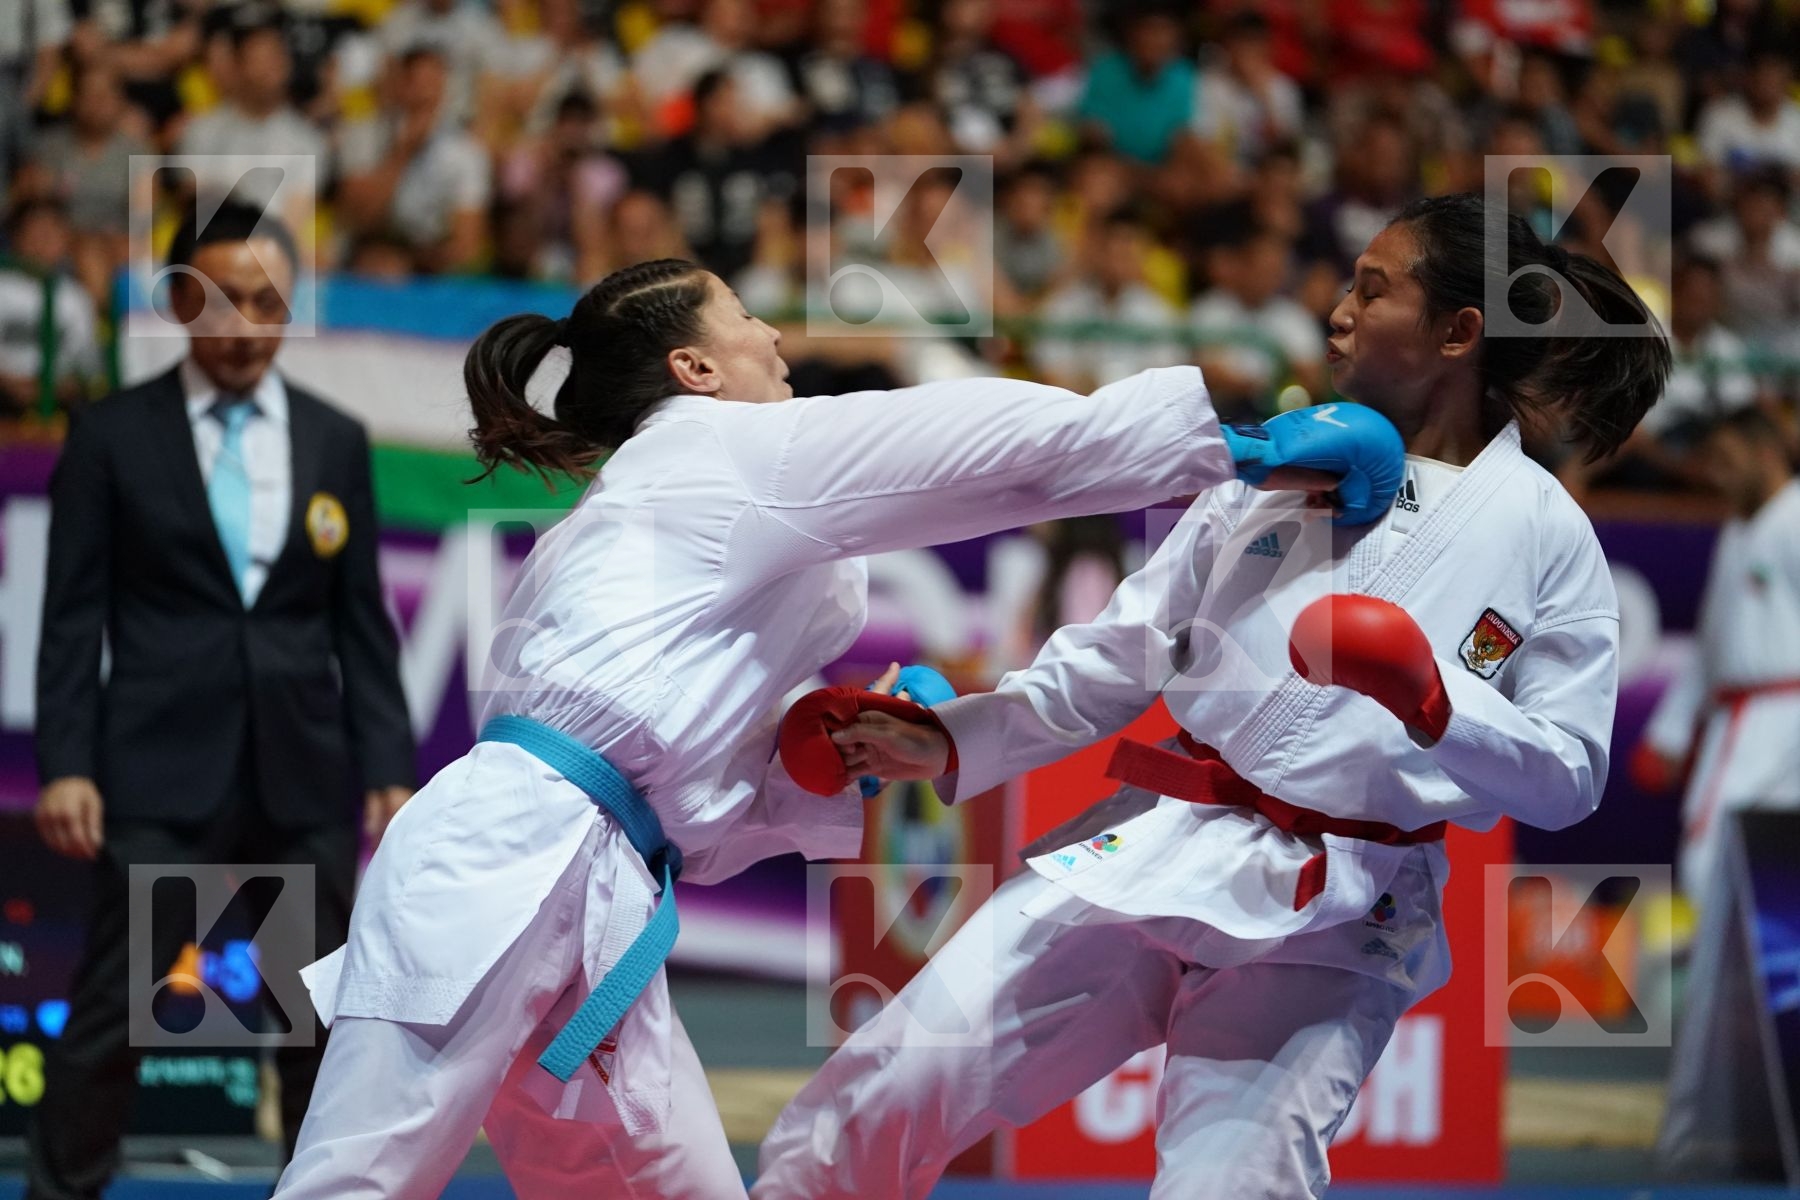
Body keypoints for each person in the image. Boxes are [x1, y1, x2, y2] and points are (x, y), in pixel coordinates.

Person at [270, 257, 1396, 1198]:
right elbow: (984, 447)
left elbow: (693, 818)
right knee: (356, 1180)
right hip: (503, 862)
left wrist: (810, 755)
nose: (775, 337)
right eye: (746, 318)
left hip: (605, 892)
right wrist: (1238, 447)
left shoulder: (665, 508)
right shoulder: (713, 447)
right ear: (693, 368)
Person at [757, 191, 1672, 1200]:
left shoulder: (1548, 534)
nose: (1339, 312)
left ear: (1459, 332)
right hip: (1151, 839)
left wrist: (1434, 696)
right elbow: (1119, 651)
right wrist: (949, 740)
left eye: (1374, 290)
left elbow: (1572, 776)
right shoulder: (1277, 464)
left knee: (1230, 1188)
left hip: (1337, 911)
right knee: (884, 1089)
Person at [29, 200, 416, 1199]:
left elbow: (361, 622)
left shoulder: (334, 439)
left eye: (266, 300)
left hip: (301, 776)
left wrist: (387, 769)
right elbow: (71, 618)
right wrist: (67, 763)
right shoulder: (112, 436)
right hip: (160, 770)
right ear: (179, 302)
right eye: (221, 300)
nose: (245, 323)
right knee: (118, 1015)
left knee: (316, 1024)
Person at [1644, 407, 1800, 1179]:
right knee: (1715, 894)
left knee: (1742, 892)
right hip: (1743, 729)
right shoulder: (1739, 531)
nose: (1716, 472)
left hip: (1786, 725)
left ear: (1767, 449)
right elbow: (1709, 652)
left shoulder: (1795, 521)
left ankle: (1728, 1110)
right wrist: (1674, 733)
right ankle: (1716, 1109)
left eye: (1728, 455)